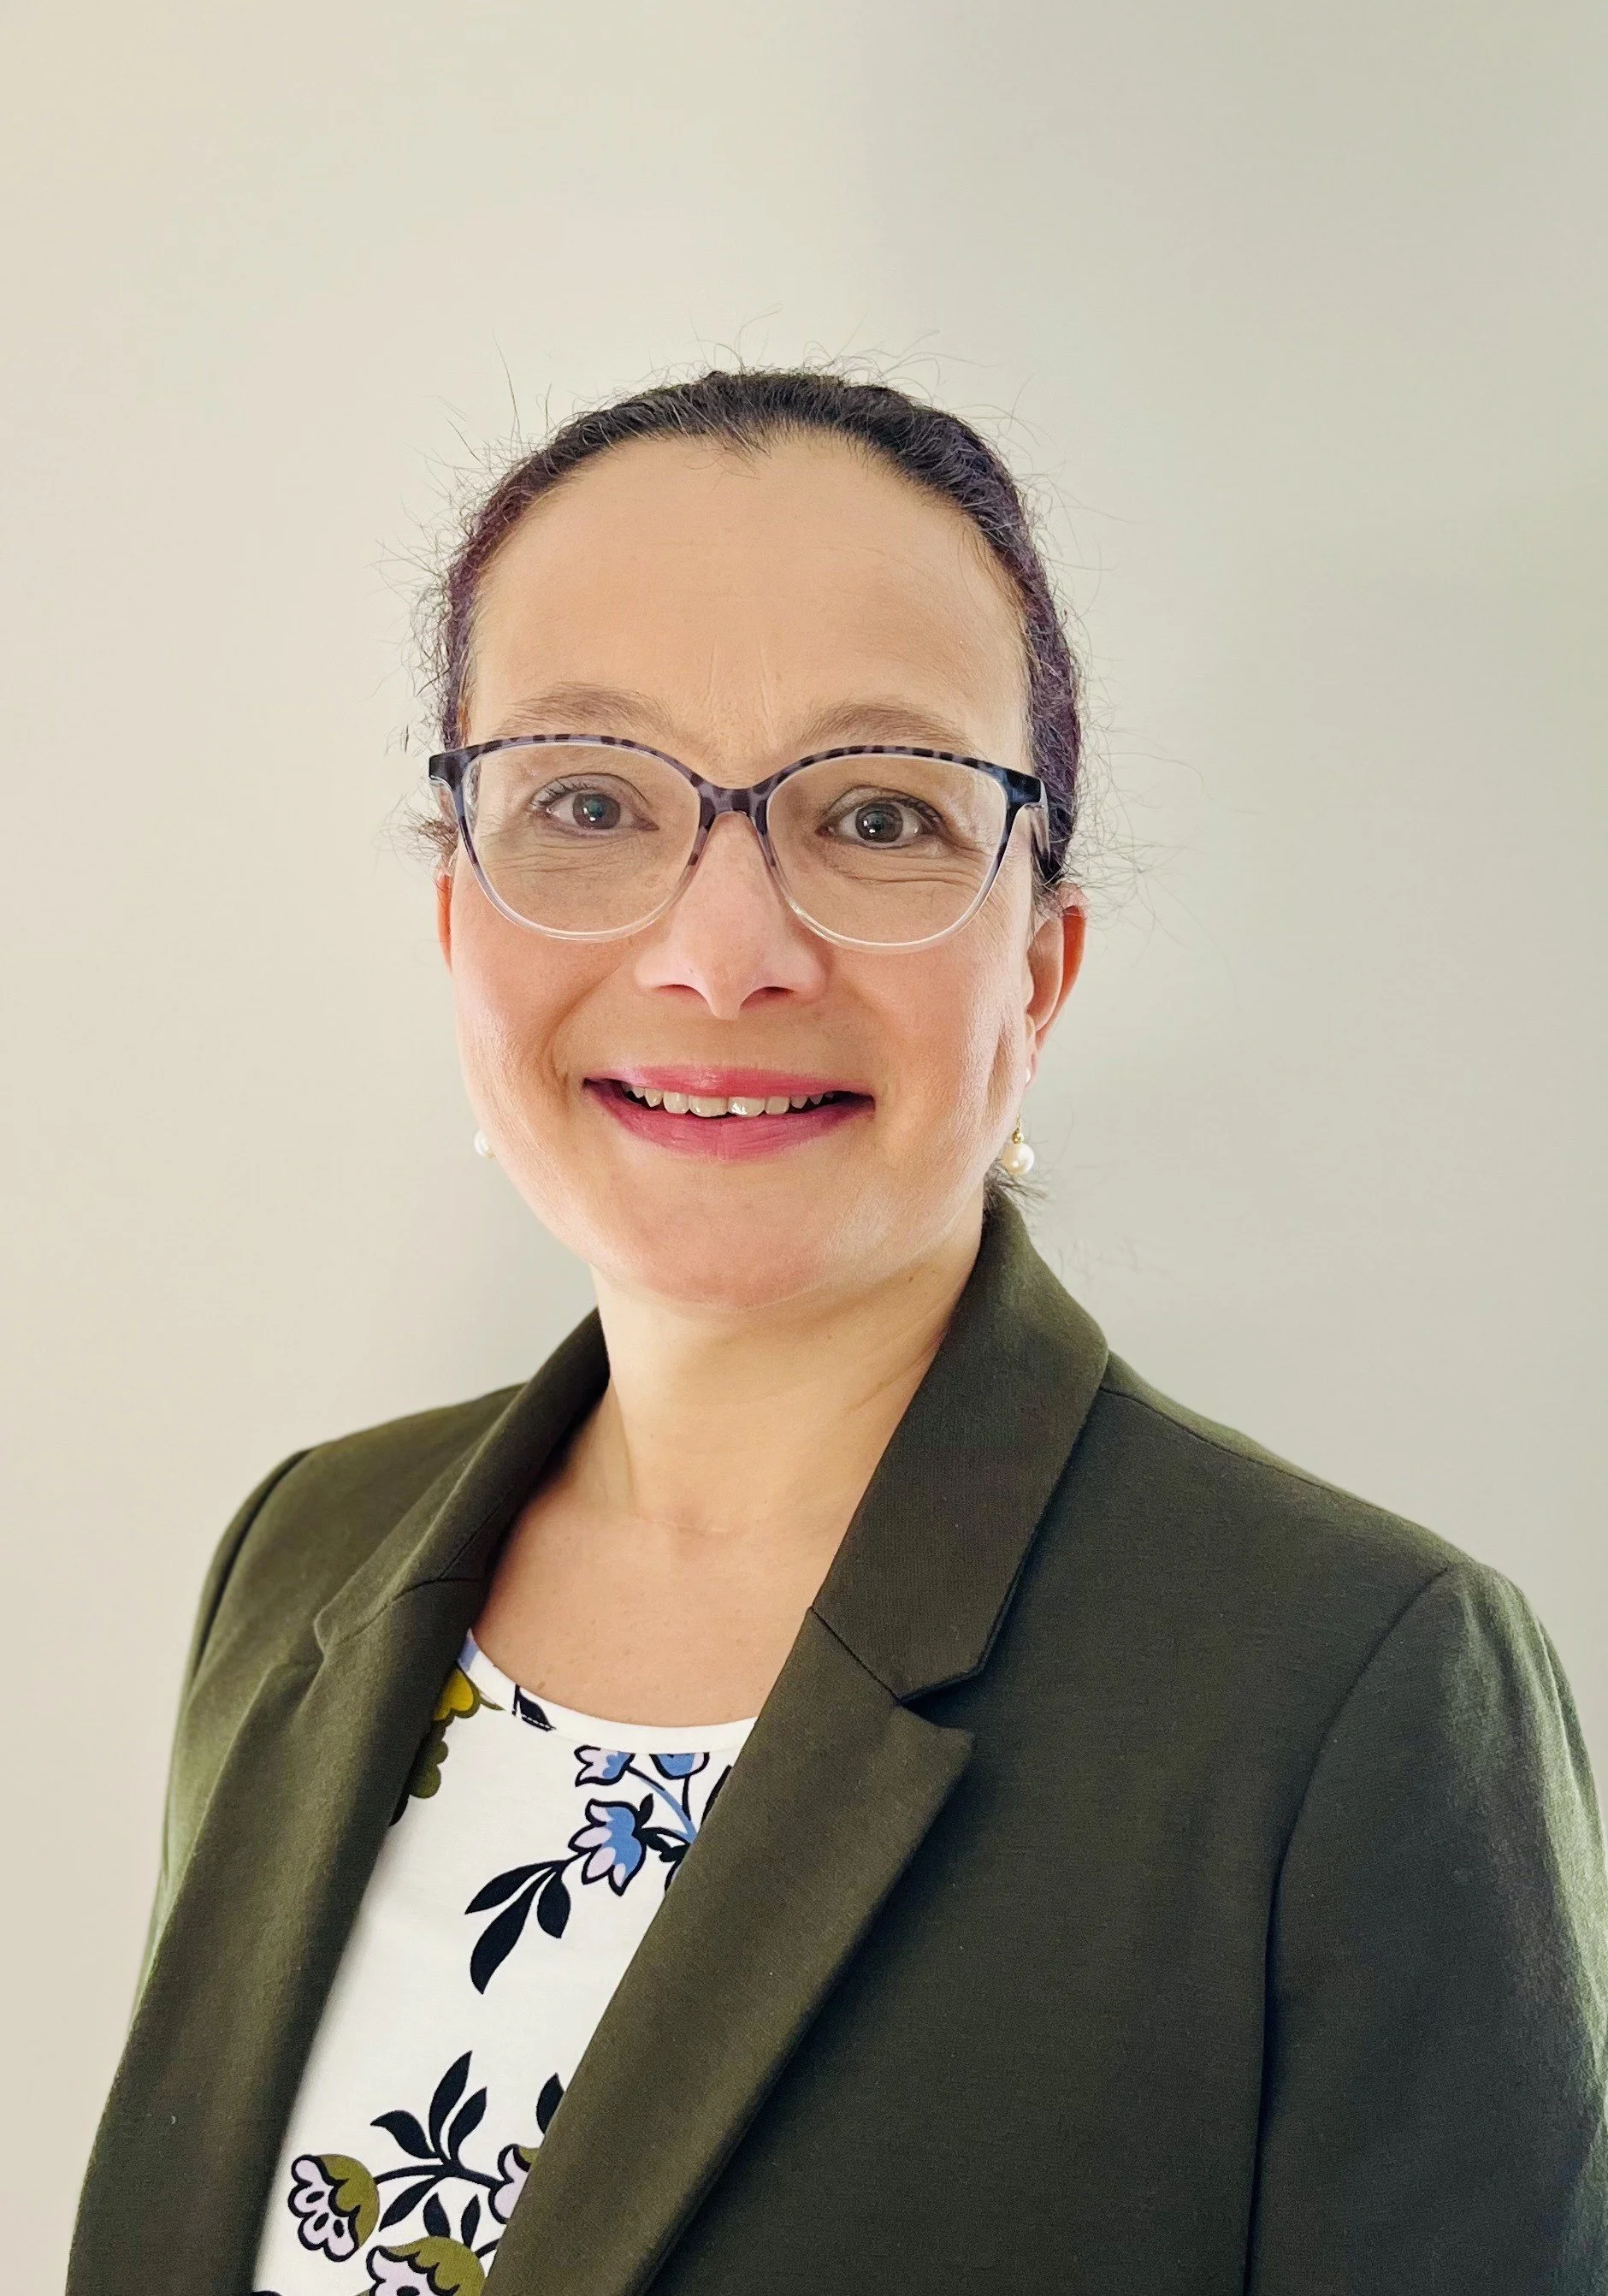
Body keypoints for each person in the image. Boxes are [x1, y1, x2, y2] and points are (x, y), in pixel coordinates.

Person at [71, 370, 1608, 2296]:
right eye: (586, 799)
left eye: (875, 811)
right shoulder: (304, 1556)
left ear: (1035, 967)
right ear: (457, 925)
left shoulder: (1350, 1696)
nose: (721, 950)